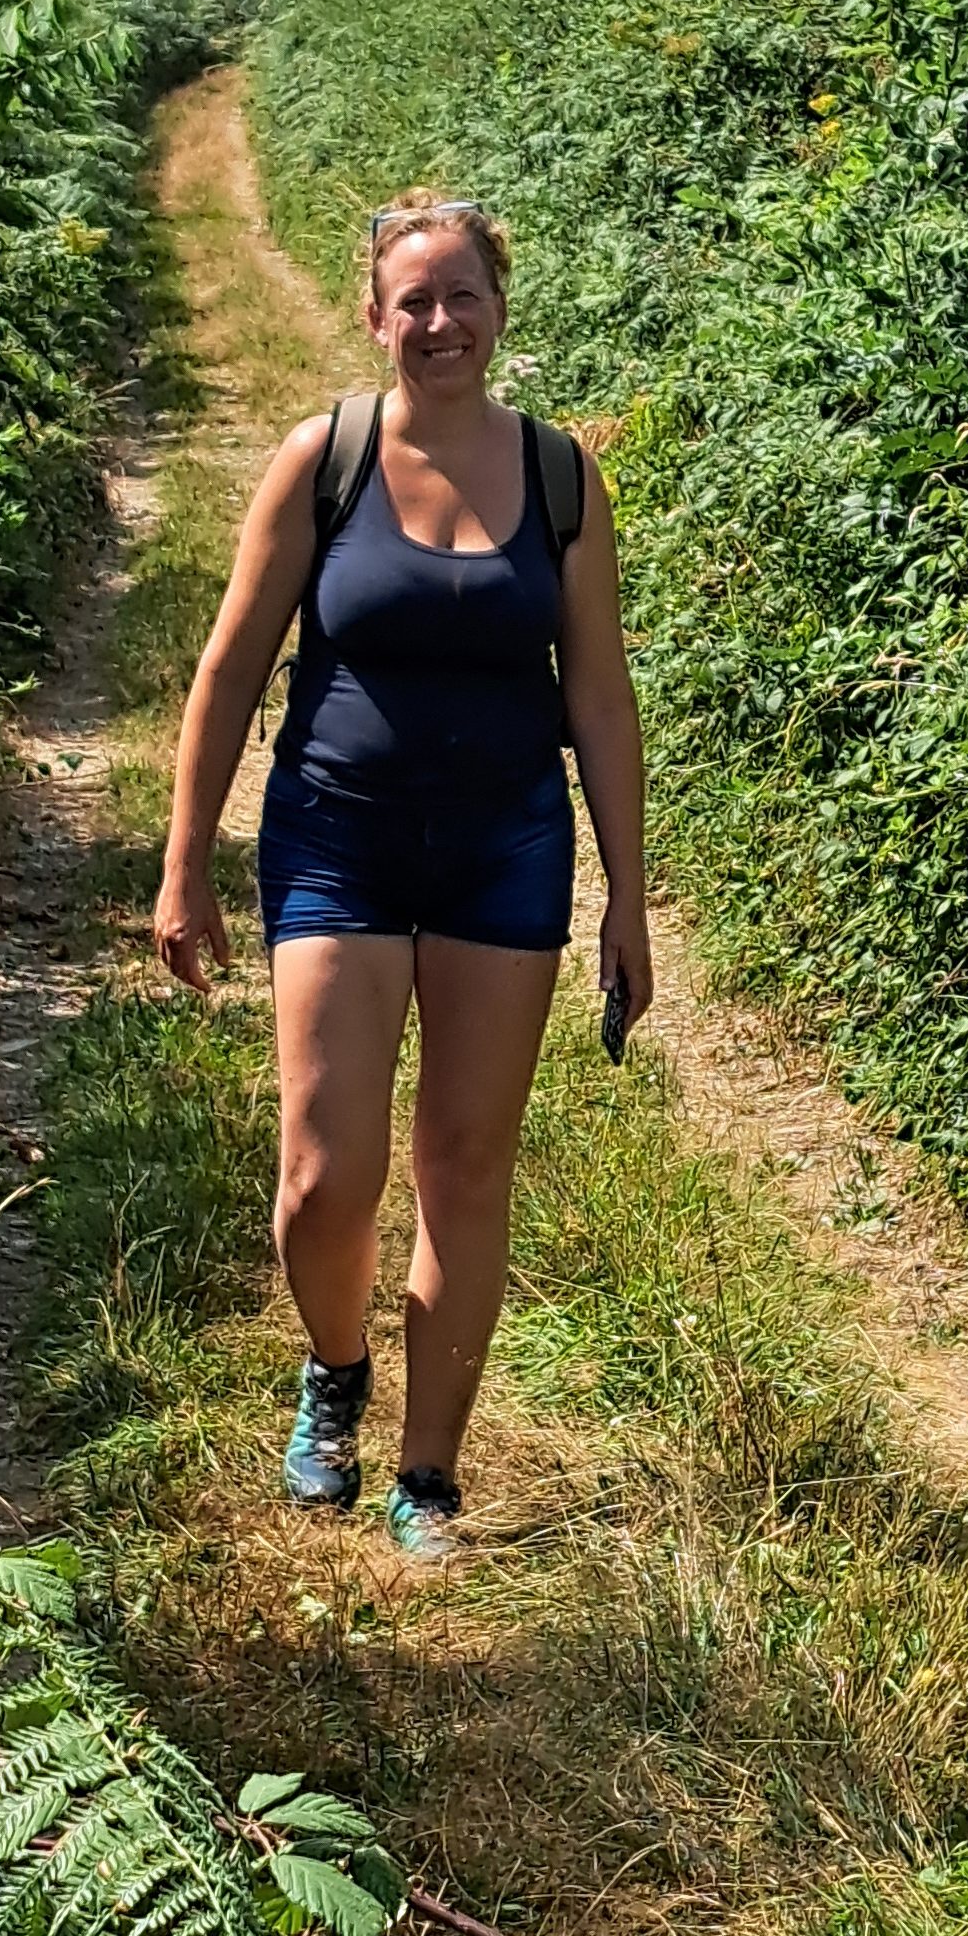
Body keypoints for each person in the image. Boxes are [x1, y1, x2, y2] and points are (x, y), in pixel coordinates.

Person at [154, 190, 650, 1558]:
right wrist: (186, 860)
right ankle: (335, 1371)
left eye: (463, 296)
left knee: (464, 1169)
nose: (439, 322)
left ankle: (427, 1475)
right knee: (325, 1177)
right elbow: (230, 664)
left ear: (500, 310)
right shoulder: (326, 461)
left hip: (506, 847)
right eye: (412, 300)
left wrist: (628, 894)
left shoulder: (559, 481)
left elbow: (599, 700)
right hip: (338, 834)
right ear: (375, 317)